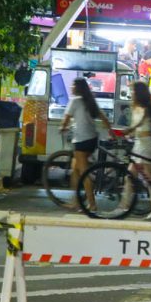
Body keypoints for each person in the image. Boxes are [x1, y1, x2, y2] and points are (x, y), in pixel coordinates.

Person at [59, 78, 112, 212]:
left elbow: (66, 119)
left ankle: (92, 204)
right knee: (75, 171)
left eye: (73, 85)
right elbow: (104, 117)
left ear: (77, 88)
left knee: (83, 173)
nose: (71, 87)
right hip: (92, 139)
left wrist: (62, 128)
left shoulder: (75, 101)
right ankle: (76, 202)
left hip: (81, 140)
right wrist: (111, 132)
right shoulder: (90, 101)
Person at [125, 82, 151, 220]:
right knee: (129, 176)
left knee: (149, 181)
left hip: (145, 146)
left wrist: (129, 130)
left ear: (139, 93)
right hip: (139, 145)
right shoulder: (137, 107)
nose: (131, 93)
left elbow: (139, 122)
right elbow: (137, 126)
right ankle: (124, 207)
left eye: (133, 91)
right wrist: (130, 134)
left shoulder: (145, 108)